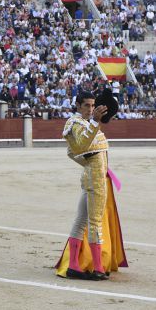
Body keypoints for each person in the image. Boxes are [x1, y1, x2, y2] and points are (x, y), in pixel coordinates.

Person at [55, 90, 128, 281]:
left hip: (93, 178)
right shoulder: (76, 123)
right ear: (78, 106)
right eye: (86, 105)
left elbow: (81, 153)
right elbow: (78, 148)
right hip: (95, 181)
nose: (90, 109)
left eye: (93, 105)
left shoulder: (86, 124)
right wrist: (95, 122)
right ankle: (97, 267)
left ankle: (73, 266)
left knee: (80, 221)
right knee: (94, 222)